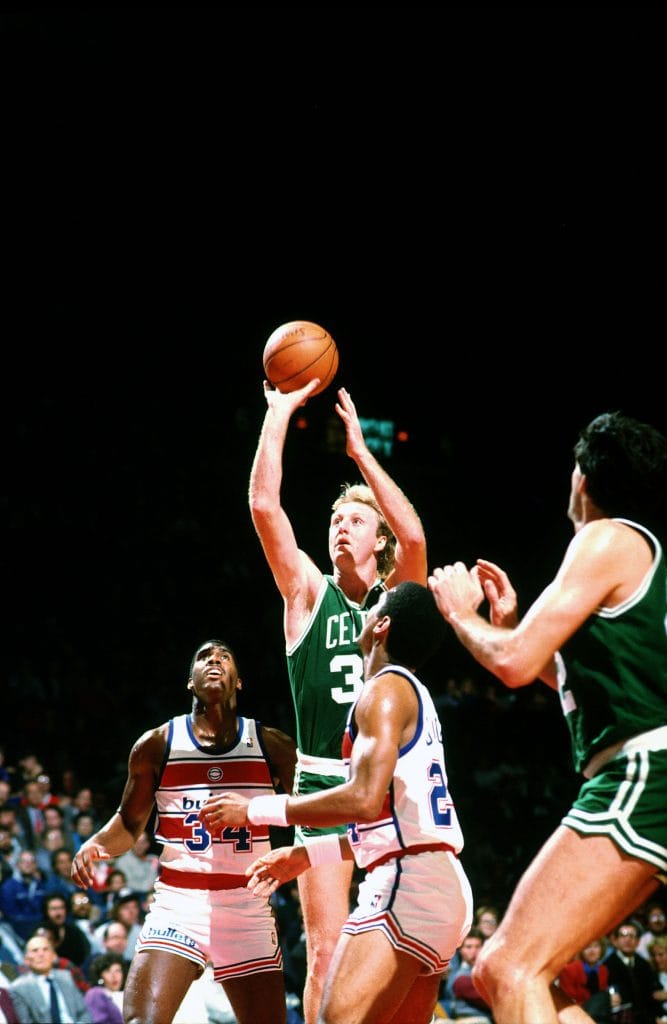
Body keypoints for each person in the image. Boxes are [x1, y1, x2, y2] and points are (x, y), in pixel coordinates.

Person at [426, 410, 667, 1024]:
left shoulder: (606, 538)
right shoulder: (641, 555)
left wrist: (461, 615)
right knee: (510, 971)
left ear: (581, 476)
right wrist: (506, 627)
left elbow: (511, 663)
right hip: (646, 770)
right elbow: (555, 672)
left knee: (507, 968)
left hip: (644, 772)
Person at [200, 582, 473, 1024]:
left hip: (410, 884)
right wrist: (307, 854)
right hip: (439, 881)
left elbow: (363, 801)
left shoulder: (383, 691)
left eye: (373, 609)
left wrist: (256, 810)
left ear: (381, 625)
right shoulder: (412, 694)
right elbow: (388, 824)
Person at [248, 379, 428, 1023]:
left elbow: (414, 540)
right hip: (327, 786)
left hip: (392, 791)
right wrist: (278, 412)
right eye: (334, 520)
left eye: (354, 520)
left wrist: (361, 456)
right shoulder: (306, 594)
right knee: (326, 949)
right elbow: (265, 507)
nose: (339, 527)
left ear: (375, 540)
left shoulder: (396, 599)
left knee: (409, 954)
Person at [71, 638, 297, 1024]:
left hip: (247, 904)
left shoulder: (271, 746)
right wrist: (96, 844)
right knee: (142, 1019)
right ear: (190, 681)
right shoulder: (157, 744)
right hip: (179, 901)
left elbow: (306, 814)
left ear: (238, 682)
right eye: (204, 657)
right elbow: (129, 822)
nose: (214, 661)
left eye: (225, 657)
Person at [8, 931, 91, 1022]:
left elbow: (84, 1012)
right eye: (35, 950)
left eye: (45, 949)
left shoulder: (66, 977)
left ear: (54, 956)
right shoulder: (18, 988)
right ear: (26, 960)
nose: (41, 954)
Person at [605, 920, 659, 1024]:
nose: (628, 939)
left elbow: (652, 995)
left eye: (632, 935)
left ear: (638, 941)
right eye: (623, 935)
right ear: (615, 941)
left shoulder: (644, 965)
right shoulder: (607, 967)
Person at [84, 952, 125, 1024]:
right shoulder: (95, 994)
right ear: (100, 976)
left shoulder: (126, 995)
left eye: (118, 971)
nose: (114, 976)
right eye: (108, 971)